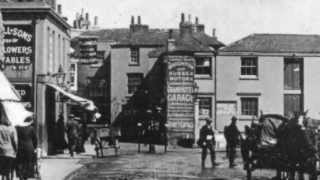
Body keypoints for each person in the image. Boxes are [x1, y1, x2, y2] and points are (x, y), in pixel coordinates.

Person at [0, 116, 17, 180]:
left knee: (2, 171)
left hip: (1, 151)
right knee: (9, 170)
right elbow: (15, 141)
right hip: (10, 152)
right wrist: (16, 150)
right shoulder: (12, 129)